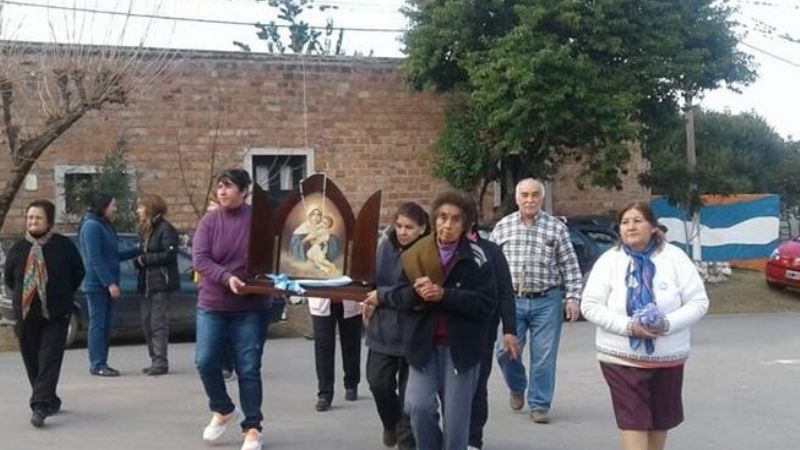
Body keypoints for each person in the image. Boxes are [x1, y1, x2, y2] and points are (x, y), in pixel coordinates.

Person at [366, 191, 497, 450]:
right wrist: (417, 292)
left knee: (456, 420)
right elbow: (399, 295)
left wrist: (444, 295)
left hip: (460, 349)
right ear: (435, 220)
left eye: (455, 220)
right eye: (443, 218)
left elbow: (486, 304)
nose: (447, 225)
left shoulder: (476, 258)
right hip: (423, 346)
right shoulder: (415, 254)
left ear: (465, 224)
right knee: (417, 407)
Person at [581, 201, 709, 450]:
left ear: (653, 227)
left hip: (668, 356)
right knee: (634, 420)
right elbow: (591, 305)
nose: (630, 226)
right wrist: (629, 327)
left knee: (660, 420)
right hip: (621, 358)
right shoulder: (609, 261)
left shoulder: (675, 258)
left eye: (637, 220)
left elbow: (699, 302)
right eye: (625, 222)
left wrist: (666, 324)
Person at [489, 178, 582, 424]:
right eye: (525, 195)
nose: (530, 200)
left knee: (543, 357)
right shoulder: (503, 227)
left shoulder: (556, 228)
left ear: (542, 198)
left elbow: (570, 266)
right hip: (512, 301)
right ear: (517, 198)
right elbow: (490, 267)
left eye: (535, 195)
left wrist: (572, 298)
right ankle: (518, 385)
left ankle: (539, 405)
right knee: (504, 352)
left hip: (546, 301)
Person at [192, 168, 273, 450]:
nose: (222, 192)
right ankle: (223, 408)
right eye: (220, 187)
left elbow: (275, 256)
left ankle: (252, 428)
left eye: (228, 187)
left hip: (251, 307)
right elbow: (200, 259)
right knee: (205, 361)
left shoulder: (260, 222)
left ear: (244, 191)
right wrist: (227, 278)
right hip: (213, 304)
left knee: (248, 368)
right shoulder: (209, 222)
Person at [3, 200, 85, 428]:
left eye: (38, 218)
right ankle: (49, 397)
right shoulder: (18, 248)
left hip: (56, 315)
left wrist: (62, 294)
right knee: (32, 362)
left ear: (49, 221)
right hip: (27, 317)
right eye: (30, 217)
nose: (33, 221)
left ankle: (39, 406)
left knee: (49, 359)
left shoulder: (63, 246)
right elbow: (10, 279)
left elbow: (78, 272)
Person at [363, 202, 430, 449]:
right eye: (399, 226)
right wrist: (367, 294)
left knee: (409, 398)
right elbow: (370, 279)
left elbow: (418, 291)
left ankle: (405, 441)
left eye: (409, 227)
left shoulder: (428, 251)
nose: (402, 231)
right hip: (383, 329)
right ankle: (389, 423)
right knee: (377, 382)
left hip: (414, 330)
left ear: (422, 229)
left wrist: (382, 295)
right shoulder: (385, 247)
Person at [467, 221, 519, 450]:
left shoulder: (491, 251)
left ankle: (473, 440)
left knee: (477, 386)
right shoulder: (437, 250)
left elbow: (506, 292)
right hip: (444, 333)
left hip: (482, 332)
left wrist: (509, 330)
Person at [78, 193, 139, 377]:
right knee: (98, 325)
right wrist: (109, 283)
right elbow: (95, 259)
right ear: (103, 206)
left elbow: (114, 255)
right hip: (97, 285)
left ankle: (103, 361)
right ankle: (97, 364)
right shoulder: (91, 226)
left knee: (106, 324)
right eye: (113, 205)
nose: (115, 209)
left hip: (107, 283)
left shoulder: (104, 226)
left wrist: (138, 250)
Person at [134, 194, 180, 376]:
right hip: (146, 284)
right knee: (146, 323)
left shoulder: (166, 229)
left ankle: (161, 361)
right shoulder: (145, 230)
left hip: (161, 283)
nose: (138, 211)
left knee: (158, 323)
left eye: (141, 207)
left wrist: (144, 260)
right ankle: (154, 358)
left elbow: (169, 255)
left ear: (150, 208)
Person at [308, 295, 362, 412]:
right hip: (322, 298)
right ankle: (325, 393)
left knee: (351, 343)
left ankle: (351, 383)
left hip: (348, 297)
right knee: (323, 346)